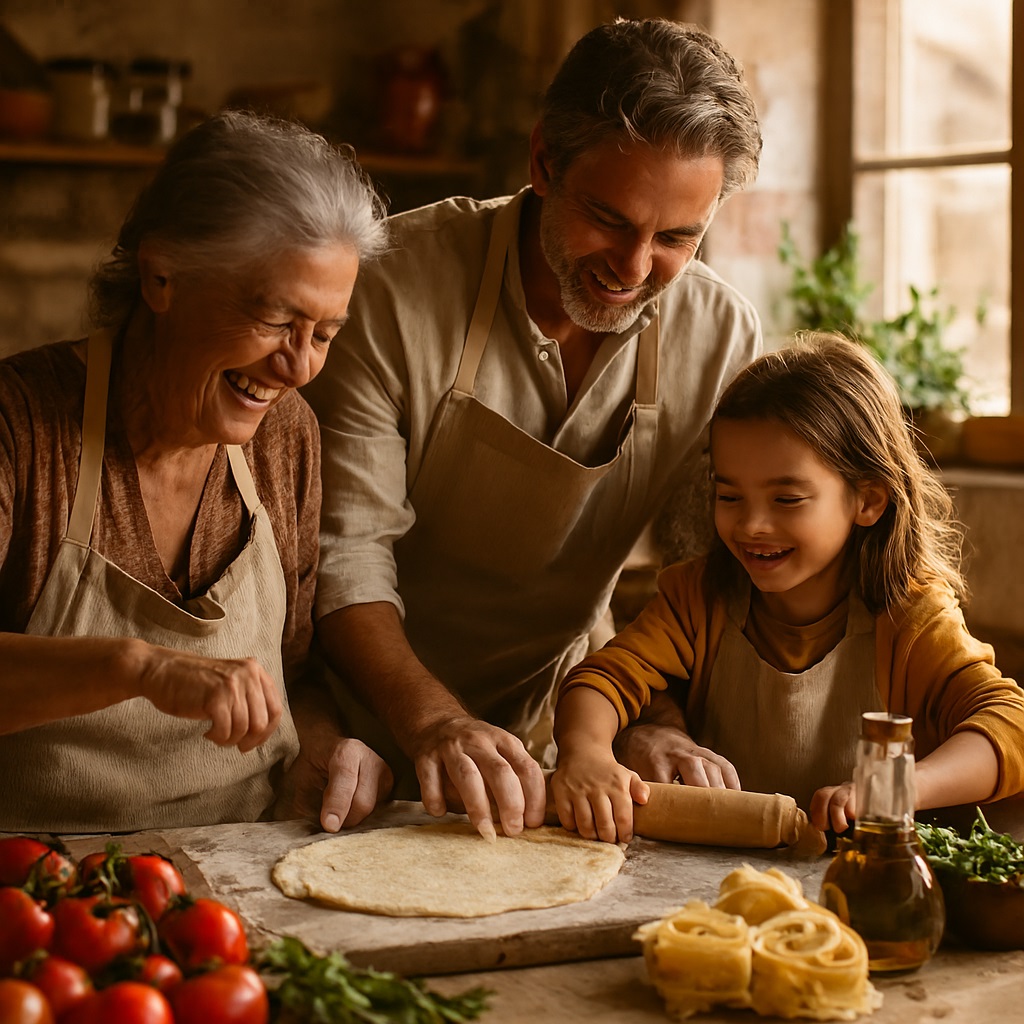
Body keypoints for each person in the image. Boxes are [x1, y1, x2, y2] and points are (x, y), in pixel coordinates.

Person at [304, 17, 764, 840]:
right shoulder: (389, 287)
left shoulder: (720, 336)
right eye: (610, 218)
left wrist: (649, 716)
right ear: (544, 160)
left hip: (563, 728)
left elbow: (696, 584)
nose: (632, 267)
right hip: (350, 730)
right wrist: (434, 722)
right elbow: (345, 558)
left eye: (675, 239)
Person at [0, 110, 393, 833]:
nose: (299, 366)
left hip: (243, 866)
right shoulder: (21, 427)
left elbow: (297, 674)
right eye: (277, 319)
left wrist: (328, 748)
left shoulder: (287, 439)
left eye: (325, 335)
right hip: (41, 892)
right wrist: (137, 669)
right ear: (162, 276)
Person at [550, 333, 1024, 844]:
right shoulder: (698, 597)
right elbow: (601, 679)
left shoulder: (910, 615)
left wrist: (895, 788)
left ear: (868, 500)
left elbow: (1009, 725)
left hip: (858, 887)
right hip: (711, 881)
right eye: (729, 495)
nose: (752, 524)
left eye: (787, 499)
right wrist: (587, 755)